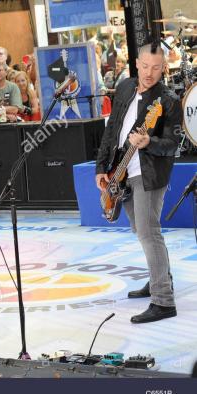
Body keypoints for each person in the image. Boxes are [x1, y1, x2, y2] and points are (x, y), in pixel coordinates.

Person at [95, 43, 182, 324]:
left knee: (148, 232)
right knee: (139, 228)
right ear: (136, 62)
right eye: (145, 66)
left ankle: (163, 300)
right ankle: (161, 278)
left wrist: (149, 142)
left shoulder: (168, 100)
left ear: (164, 68)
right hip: (121, 169)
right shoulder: (124, 87)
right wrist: (101, 167)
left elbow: (173, 144)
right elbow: (112, 129)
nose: (149, 72)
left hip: (149, 173)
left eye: (156, 68)